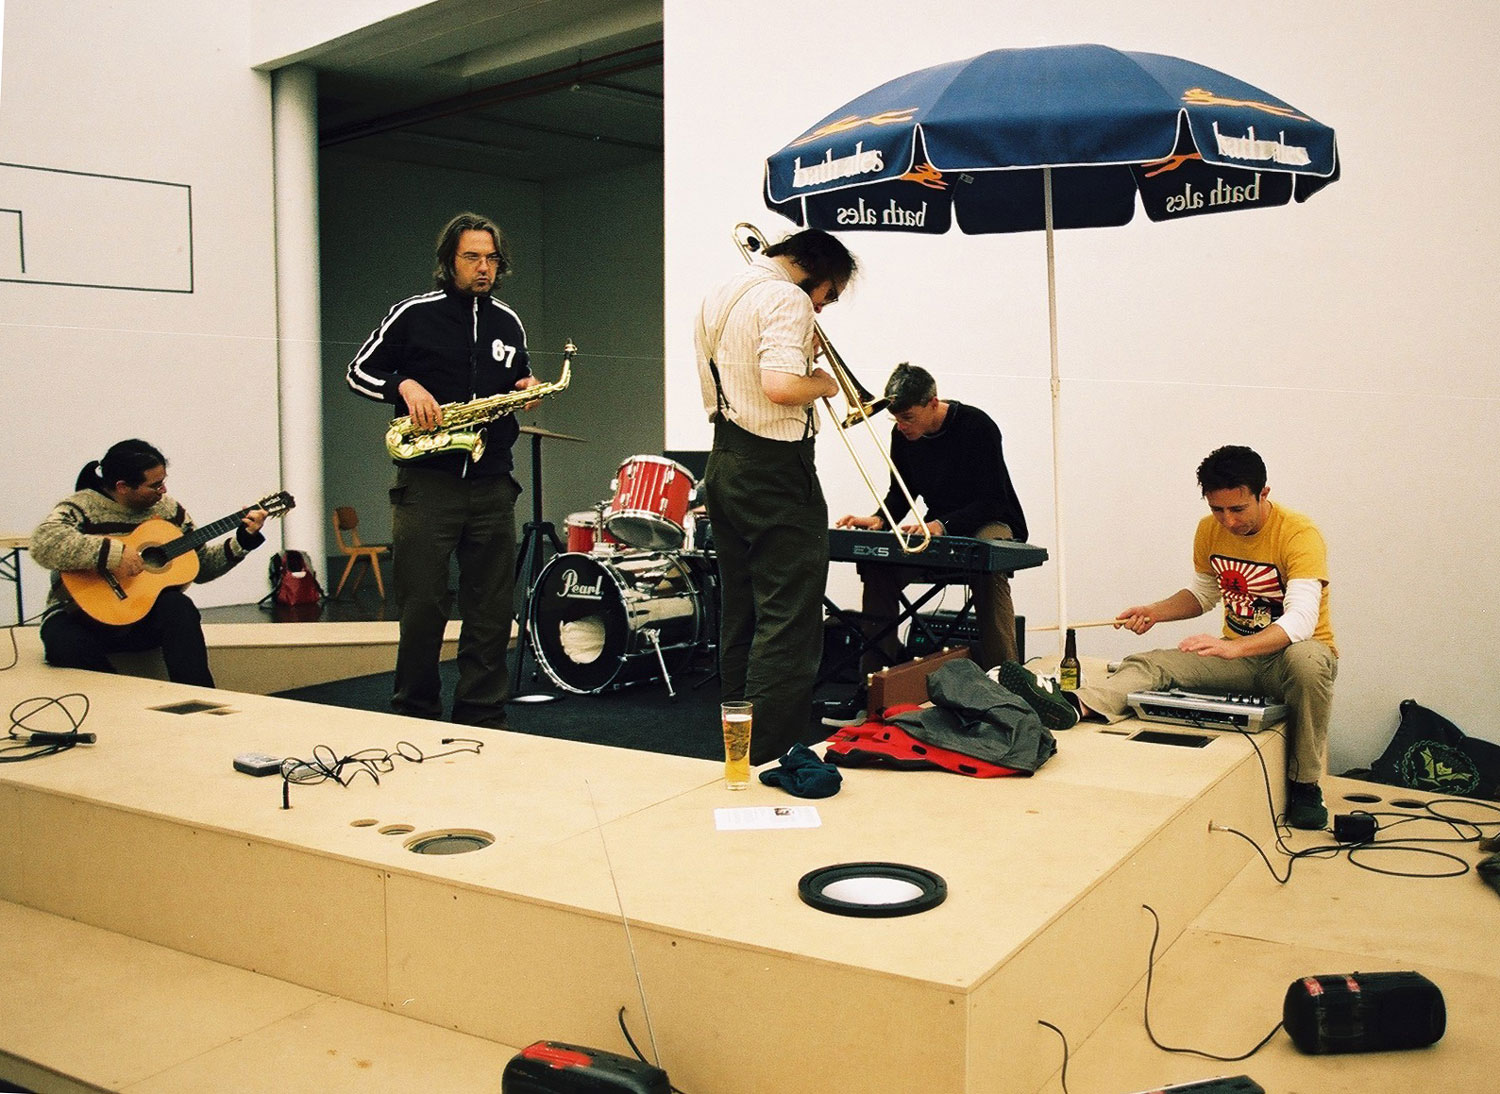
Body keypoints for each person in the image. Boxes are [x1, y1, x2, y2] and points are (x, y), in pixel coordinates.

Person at [1015, 445, 1337, 829]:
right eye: (1217, 510)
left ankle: (1305, 786)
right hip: (1240, 659)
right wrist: (1154, 611)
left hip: (1289, 659)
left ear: (1263, 494)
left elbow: (1302, 619)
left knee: (1308, 660)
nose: (1228, 521)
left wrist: (1234, 647)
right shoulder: (1209, 531)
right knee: (1152, 663)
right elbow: (1203, 594)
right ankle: (1075, 706)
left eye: (1238, 510)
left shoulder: (1299, 533)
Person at [346, 211, 539, 728]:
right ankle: (415, 712)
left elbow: (517, 374)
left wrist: (525, 388)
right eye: (471, 257)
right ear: (448, 262)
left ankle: (482, 713)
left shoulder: (509, 321)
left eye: (491, 257)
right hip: (427, 483)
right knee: (424, 606)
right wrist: (403, 386)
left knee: (491, 609)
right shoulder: (413, 313)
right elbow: (359, 371)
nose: (483, 267)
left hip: (494, 481)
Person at [695, 228, 854, 764]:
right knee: (789, 616)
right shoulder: (786, 297)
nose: (823, 309)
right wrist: (826, 384)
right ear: (817, 273)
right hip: (777, 466)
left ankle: (738, 749)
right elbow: (783, 387)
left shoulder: (722, 290)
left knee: (741, 610)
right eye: (828, 296)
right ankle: (774, 754)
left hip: (725, 458)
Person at [835, 363, 1029, 685]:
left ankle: (1006, 682)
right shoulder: (903, 435)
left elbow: (993, 499)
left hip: (991, 520)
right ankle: (875, 683)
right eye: (895, 419)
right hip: (940, 526)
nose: (901, 427)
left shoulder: (978, 427)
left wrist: (943, 524)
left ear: (933, 403)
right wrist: (880, 519)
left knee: (987, 559)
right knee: (879, 570)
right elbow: (901, 493)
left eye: (908, 417)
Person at [30, 439, 268, 687]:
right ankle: (119, 703)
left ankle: (201, 697)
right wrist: (114, 554)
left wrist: (243, 541)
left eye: (163, 482)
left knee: (179, 606)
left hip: (139, 620)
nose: (163, 491)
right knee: (66, 644)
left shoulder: (169, 511)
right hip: (80, 617)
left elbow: (202, 566)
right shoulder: (82, 506)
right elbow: (44, 542)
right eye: (155, 485)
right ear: (122, 487)